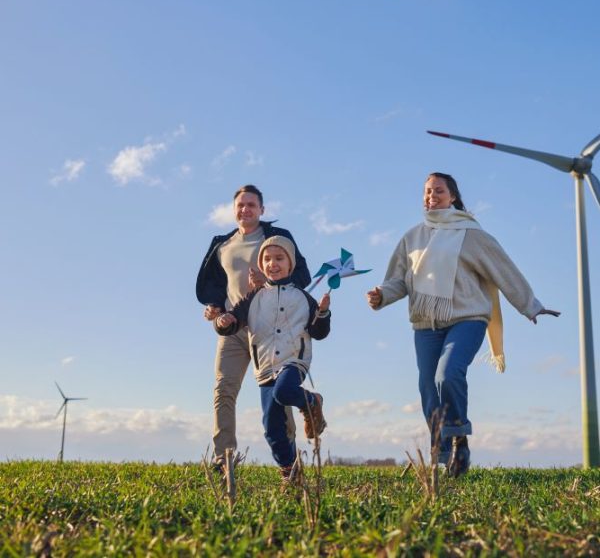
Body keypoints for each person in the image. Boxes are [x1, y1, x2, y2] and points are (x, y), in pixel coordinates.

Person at [366, 172, 560, 477]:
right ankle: (444, 457)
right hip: (425, 325)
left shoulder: (471, 234)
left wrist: (530, 304)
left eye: (438, 191)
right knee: (428, 389)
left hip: (467, 319)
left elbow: (503, 269)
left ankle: (459, 440)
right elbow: (400, 280)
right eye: (427, 192)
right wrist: (382, 295)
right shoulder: (412, 237)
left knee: (448, 375)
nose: (431, 197)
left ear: (453, 196)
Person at [196, 185, 311, 470]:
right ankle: (223, 459)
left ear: (262, 209)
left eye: (251, 205)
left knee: (277, 397)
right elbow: (217, 287)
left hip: (270, 330)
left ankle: (289, 462)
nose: (245, 209)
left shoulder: (277, 238)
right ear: (234, 209)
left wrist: (269, 284)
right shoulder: (222, 245)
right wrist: (215, 308)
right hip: (235, 327)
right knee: (223, 389)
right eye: (241, 205)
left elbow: (301, 276)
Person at [214, 236, 331, 480]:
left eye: (279, 258)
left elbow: (319, 333)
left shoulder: (303, 297)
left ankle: (311, 401)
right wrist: (223, 321)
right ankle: (290, 472)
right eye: (267, 259)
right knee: (272, 428)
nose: (272, 264)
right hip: (266, 366)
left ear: (290, 264)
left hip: (293, 360)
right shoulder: (253, 297)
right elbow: (234, 321)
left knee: (284, 391)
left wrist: (322, 313)